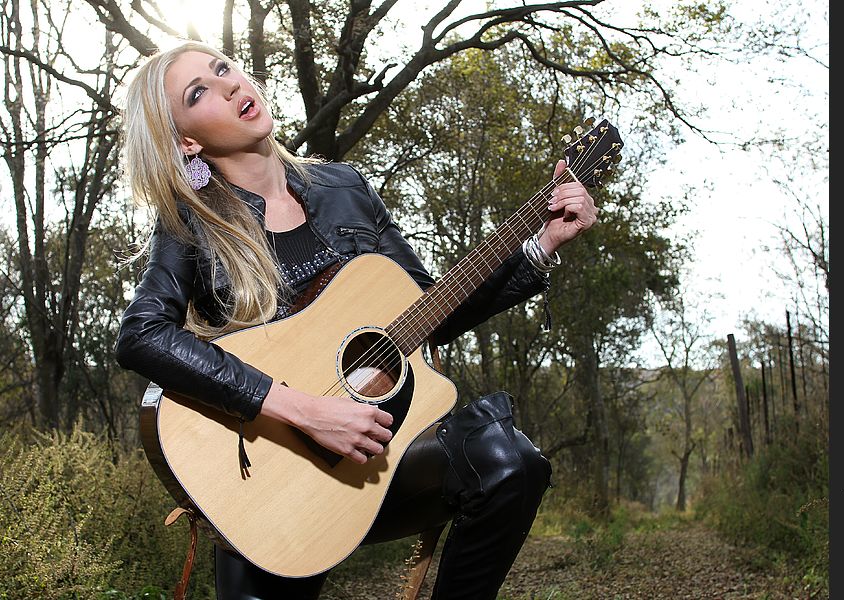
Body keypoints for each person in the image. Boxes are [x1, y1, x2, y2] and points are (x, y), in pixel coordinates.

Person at [115, 41, 598, 600]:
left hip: (380, 462)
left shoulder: (345, 188)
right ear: (185, 141)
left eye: (224, 68)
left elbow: (430, 310)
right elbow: (142, 335)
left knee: (507, 461)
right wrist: (308, 411)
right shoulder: (191, 224)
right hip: (269, 487)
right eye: (198, 92)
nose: (226, 84)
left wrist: (538, 247)